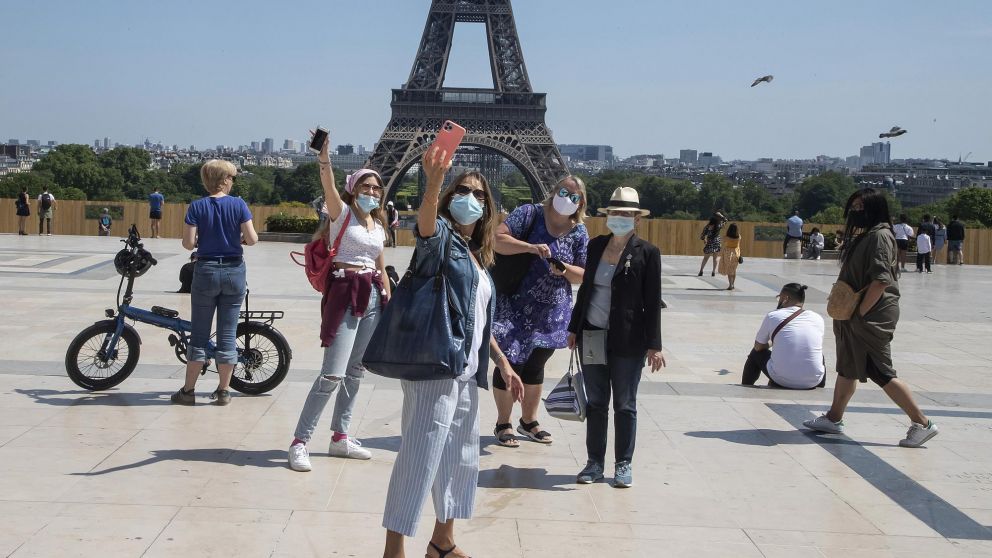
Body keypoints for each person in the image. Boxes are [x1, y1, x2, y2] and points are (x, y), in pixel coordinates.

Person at [381, 146, 524, 558]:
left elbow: (474, 320)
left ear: (488, 208)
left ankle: (442, 541)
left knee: (459, 457)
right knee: (419, 458)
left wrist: (502, 361)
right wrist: (433, 183)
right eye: (463, 191)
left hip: (465, 370)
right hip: (434, 367)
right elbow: (425, 227)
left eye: (479, 194)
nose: (471, 198)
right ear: (448, 198)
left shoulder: (476, 256)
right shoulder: (440, 239)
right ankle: (393, 549)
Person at [287, 131, 392, 471]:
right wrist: (324, 157)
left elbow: (379, 264)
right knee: (332, 374)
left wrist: (387, 293)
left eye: (376, 188)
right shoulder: (342, 213)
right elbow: (328, 184)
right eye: (366, 187)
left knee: (355, 372)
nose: (372, 192)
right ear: (353, 189)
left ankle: (340, 437)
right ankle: (300, 441)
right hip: (346, 292)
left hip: (372, 295)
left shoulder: (377, 223)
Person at [803, 188, 938, 448]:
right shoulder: (869, 235)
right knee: (848, 366)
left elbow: (880, 280)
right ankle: (834, 418)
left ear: (873, 209)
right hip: (855, 313)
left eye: (859, 207)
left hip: (870, 314)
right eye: (853, 207)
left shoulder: (880, 237)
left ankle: (922, 423)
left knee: (880, 371)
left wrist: (861, 313)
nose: (855, 212)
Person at [567, 187, 665, 489]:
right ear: (607, 216)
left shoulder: (648, 253)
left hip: (629, 339)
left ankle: (623, 463)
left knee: (625, 404)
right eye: (615, 213)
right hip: (592, 334)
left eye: (626, 214)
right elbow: (585, 289)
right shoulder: (595, 246)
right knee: (596, 403)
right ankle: (594, 462)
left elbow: (653, 301)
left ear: (637, 219)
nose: (620, 218)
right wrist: (573, 328)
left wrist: (655, 345)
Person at [491, 175, 589, 447]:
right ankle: (503, 422)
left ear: (581, 203)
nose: (567, 199)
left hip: (551, 311)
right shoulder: (529, 214)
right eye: (563, 192)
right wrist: (531, 249)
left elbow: (583, 274)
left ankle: (529, 421)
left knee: (536, 364)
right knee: (510, 360)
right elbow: (497, 239)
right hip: (515, 304)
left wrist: (564, 269)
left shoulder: (579, 232)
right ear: (553, 191)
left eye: (574, 197)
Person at [172, 160, 258, 406]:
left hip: (206, 270)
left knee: (199, 334)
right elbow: (252, 239)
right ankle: (223, 391)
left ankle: (188, 391)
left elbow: (188, 244)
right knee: (227, 334)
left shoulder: (197, 206)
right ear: (225, 180)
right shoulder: (239, 204)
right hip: (234, 271)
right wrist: (237, 239)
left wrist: (204, 240)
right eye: (232, 178)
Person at [742, 283, 826, 389]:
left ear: (785, 298)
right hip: (813, 381)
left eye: (779, 297)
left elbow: (758, 346)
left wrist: (771, 343)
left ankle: (746, 386)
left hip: (782, 379)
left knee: (755, 352)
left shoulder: (773, 316)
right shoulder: (818, 318)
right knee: (819, 355)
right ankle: (820, 390)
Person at [697, 212, 725, 276]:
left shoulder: (707, 227)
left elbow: (702, 236)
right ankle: (713, 272)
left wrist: (704, 240)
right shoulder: (718, 226)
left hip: (710, 243)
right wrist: (721, 215)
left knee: (705, 258)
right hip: (717, 243)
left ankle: (701, 271)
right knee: (715, 258)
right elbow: (725, 220)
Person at [718, 223, 741, 290]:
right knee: (733, 270)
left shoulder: (726, 237)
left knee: (729, 270)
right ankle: (733, 284)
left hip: (728, 253)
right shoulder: (739, 237)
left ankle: (730, 285)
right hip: (736, 253)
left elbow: (723, 240)